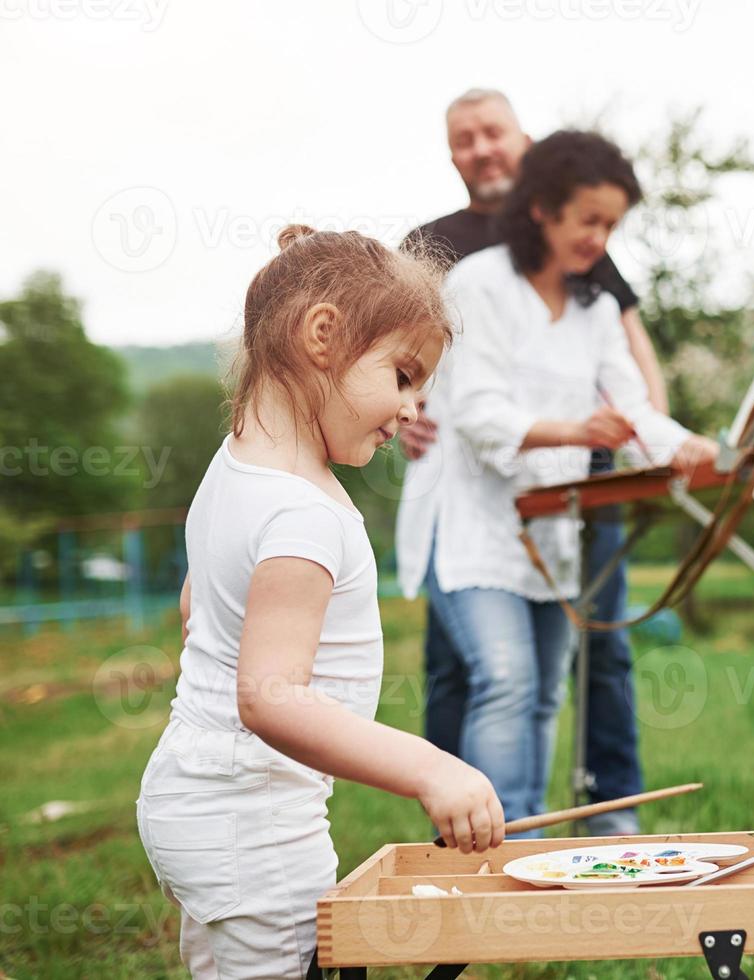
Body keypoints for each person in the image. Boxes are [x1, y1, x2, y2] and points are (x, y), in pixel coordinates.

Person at [135, 225, 503, 979]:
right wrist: (433, 768)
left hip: (199, 799)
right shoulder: (303, 513)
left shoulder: (235, 465)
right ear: (323, 336)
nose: (410, 410)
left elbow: (196, 606)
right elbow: (269, 698)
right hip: (254, 824)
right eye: (403, 376)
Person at [399, 129, 718, 832]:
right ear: (542, 208)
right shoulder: (480, 283)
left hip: (551, 537)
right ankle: (495, 845)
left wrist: (689, 447)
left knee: (544, 692)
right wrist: (578, 432)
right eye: (589, 220)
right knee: (505, 679)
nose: (599, 238)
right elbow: (478, 415)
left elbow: (632, 409)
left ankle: (523, 835)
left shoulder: (596, 307)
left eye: (611, 225)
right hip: (471, 529)